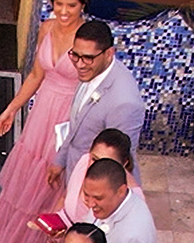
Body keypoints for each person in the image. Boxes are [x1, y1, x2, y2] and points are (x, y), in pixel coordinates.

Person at [0, 0, 85, 243]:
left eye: (71, 5)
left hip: (66, 118)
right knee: (26, 180)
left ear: (83, 5)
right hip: (41, 113)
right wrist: (12, 108)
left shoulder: (89, 38)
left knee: (50, 180)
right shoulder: (47, 28)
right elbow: (37, 74)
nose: (63, 11)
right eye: (58, 3)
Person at [48, 20, 145, 188]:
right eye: (75, 55)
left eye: (88, 58)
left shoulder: (125, 103)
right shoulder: (92, 70)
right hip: (75, 176)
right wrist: (61, 160)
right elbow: (76, 126)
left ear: (109, 54)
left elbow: (117, 166)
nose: (79, 64)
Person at [62, 126, 137, 224]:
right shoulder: (84, 162)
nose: (98, 166)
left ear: (124, 164)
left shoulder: (132, 196)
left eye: (107, 162)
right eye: (94, 159)